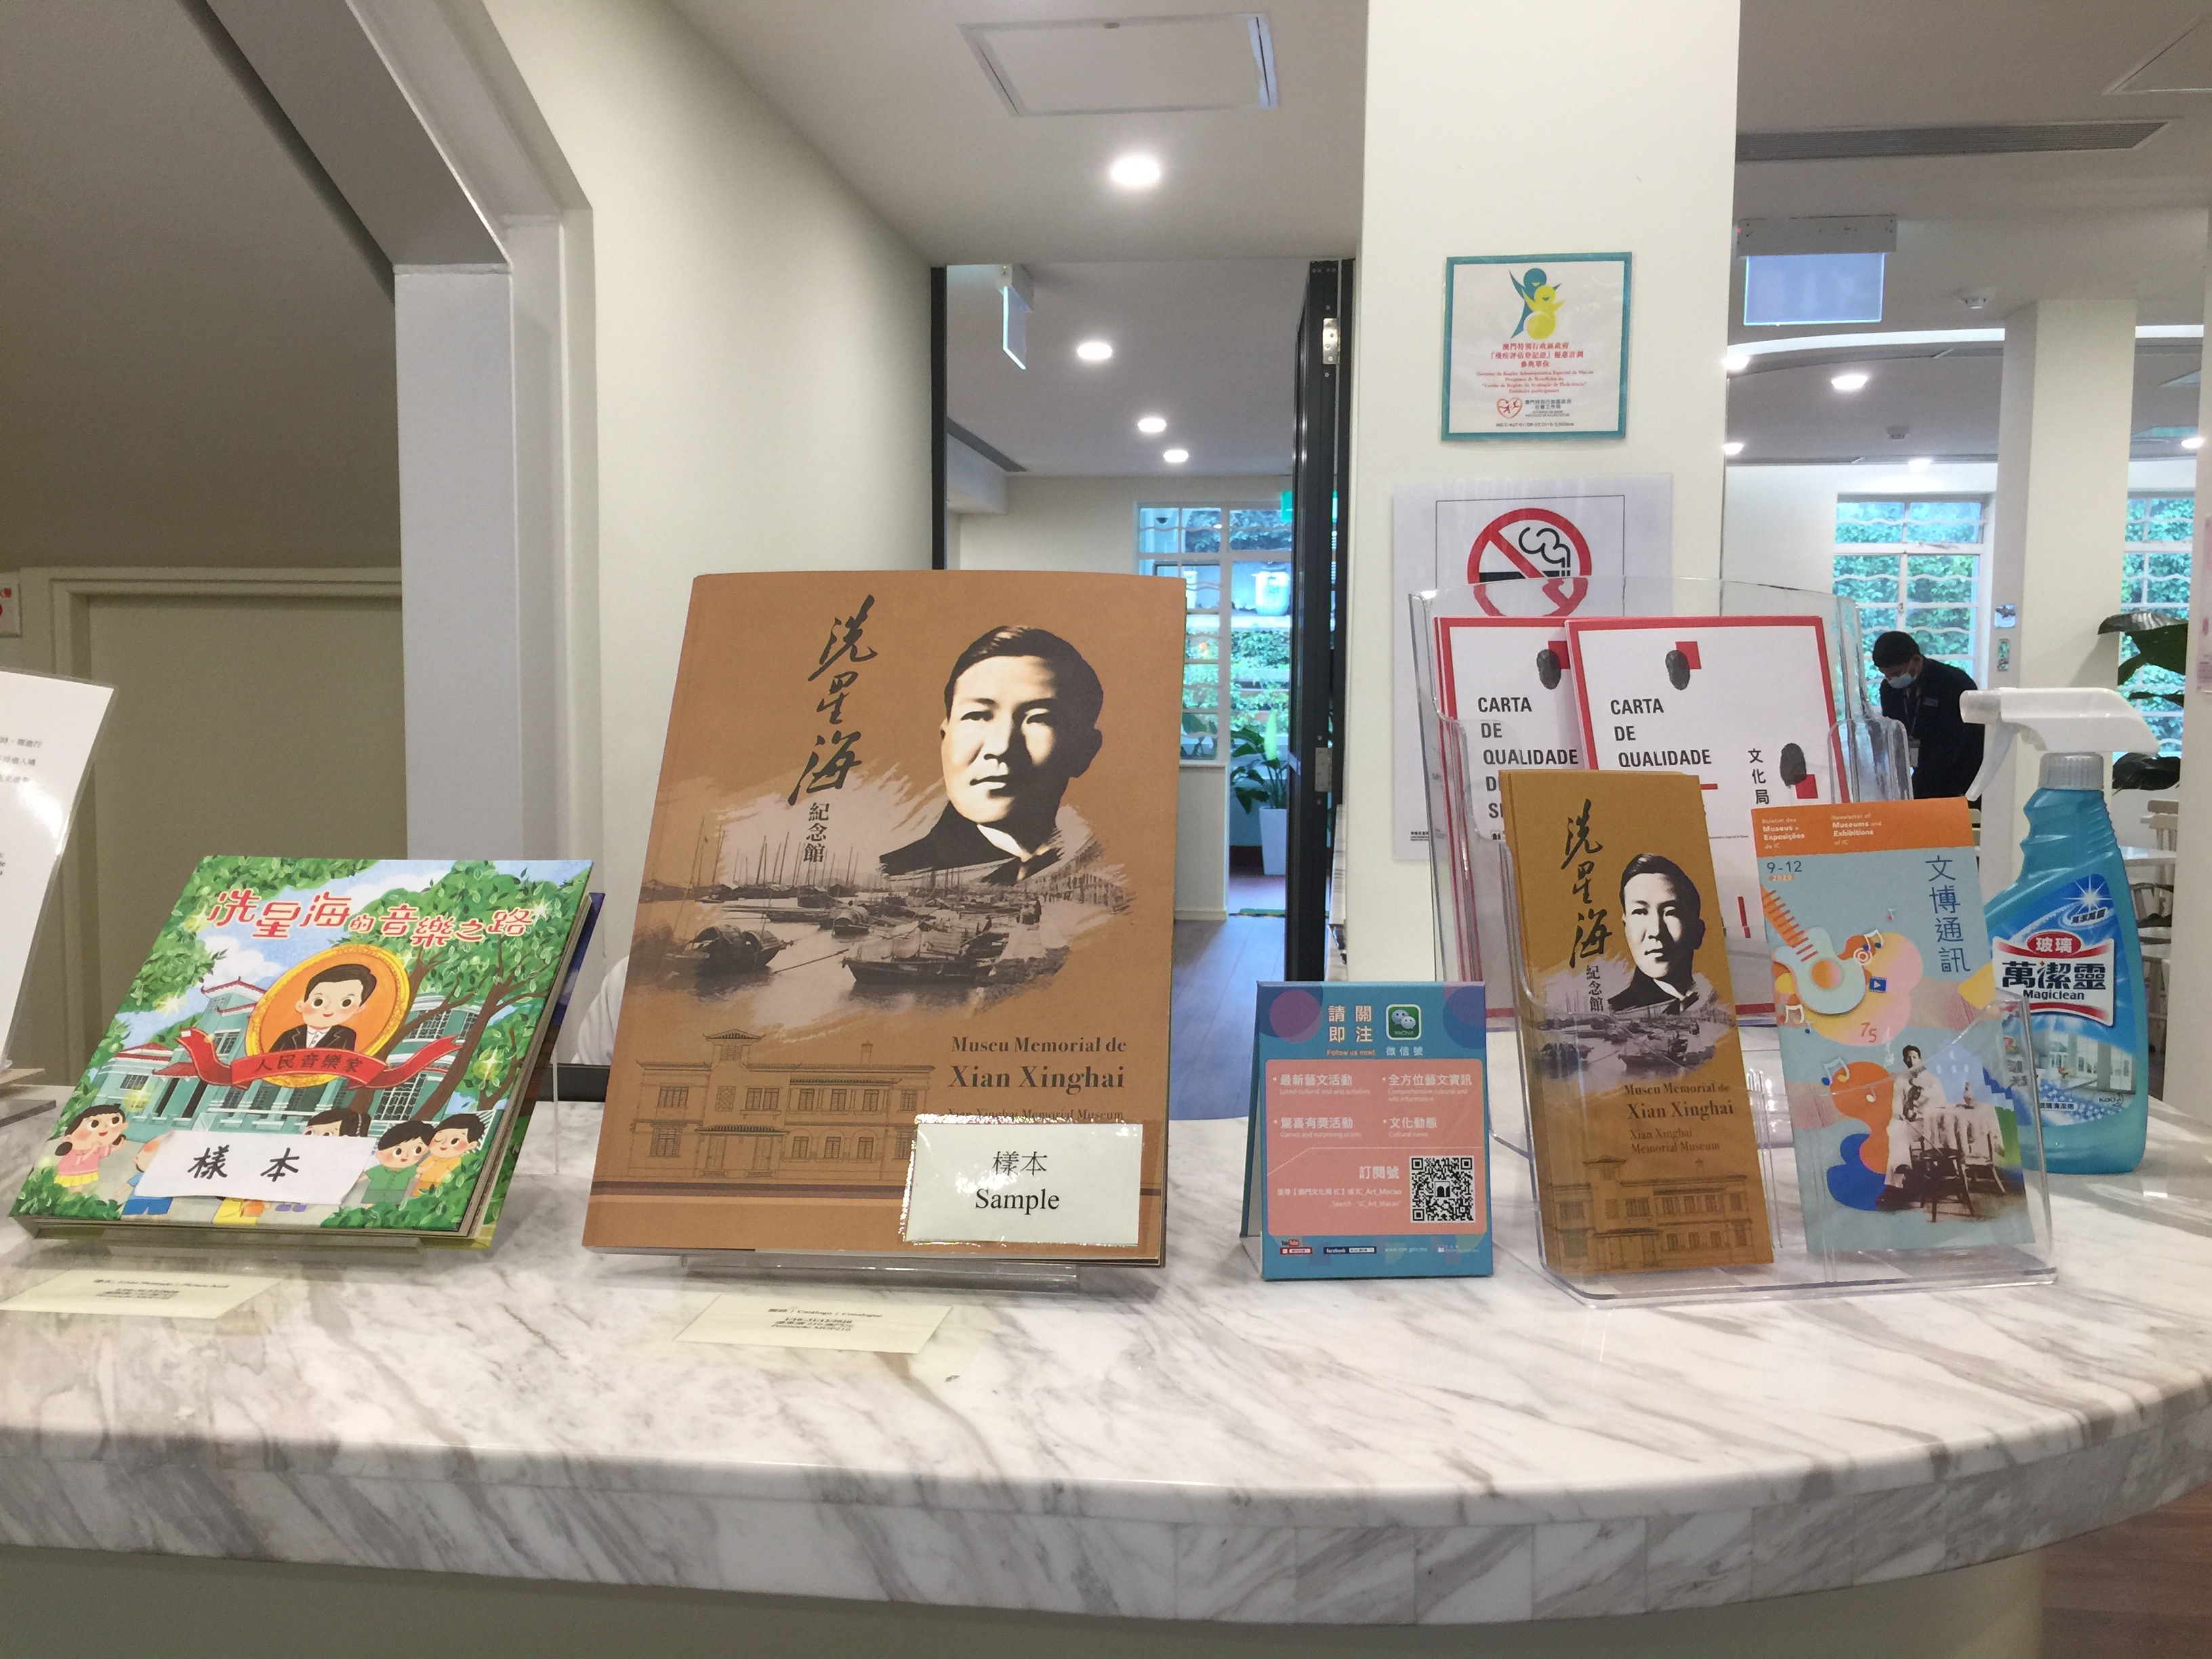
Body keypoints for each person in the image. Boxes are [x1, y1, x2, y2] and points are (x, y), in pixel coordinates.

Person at [880, 626, 1104, 885]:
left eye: (1039, 718)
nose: (1002, 747)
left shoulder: (1095, 875)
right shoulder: (894, 878)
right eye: (978, 716)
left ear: (1084, 751)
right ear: (946, 740)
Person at [1870, 632, 1984, 800]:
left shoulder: (1954, 683)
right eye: (1886, 675)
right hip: (1921, 775)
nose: (1891, 680)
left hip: (1961, 776)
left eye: (1896, 674)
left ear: (1916, 660)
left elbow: (1952, 744)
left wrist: (1917, 783)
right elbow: (1893, 733)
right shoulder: (1890, 690)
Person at [1607, 853, 1715, 1012]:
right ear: (1626, 927)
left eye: (1671, 912)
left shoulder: (1715, 1000)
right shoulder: (1617, 1011)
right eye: (1640, 912)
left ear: (1697, 932)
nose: (1656, 931)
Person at [269, 962, 377, 1051]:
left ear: (358, 1009)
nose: (329, 1009)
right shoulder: (289, 1035)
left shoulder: (346, 1035)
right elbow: (269, 1060)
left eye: (346, 1003)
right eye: (318, 1002)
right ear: (301, 1006)